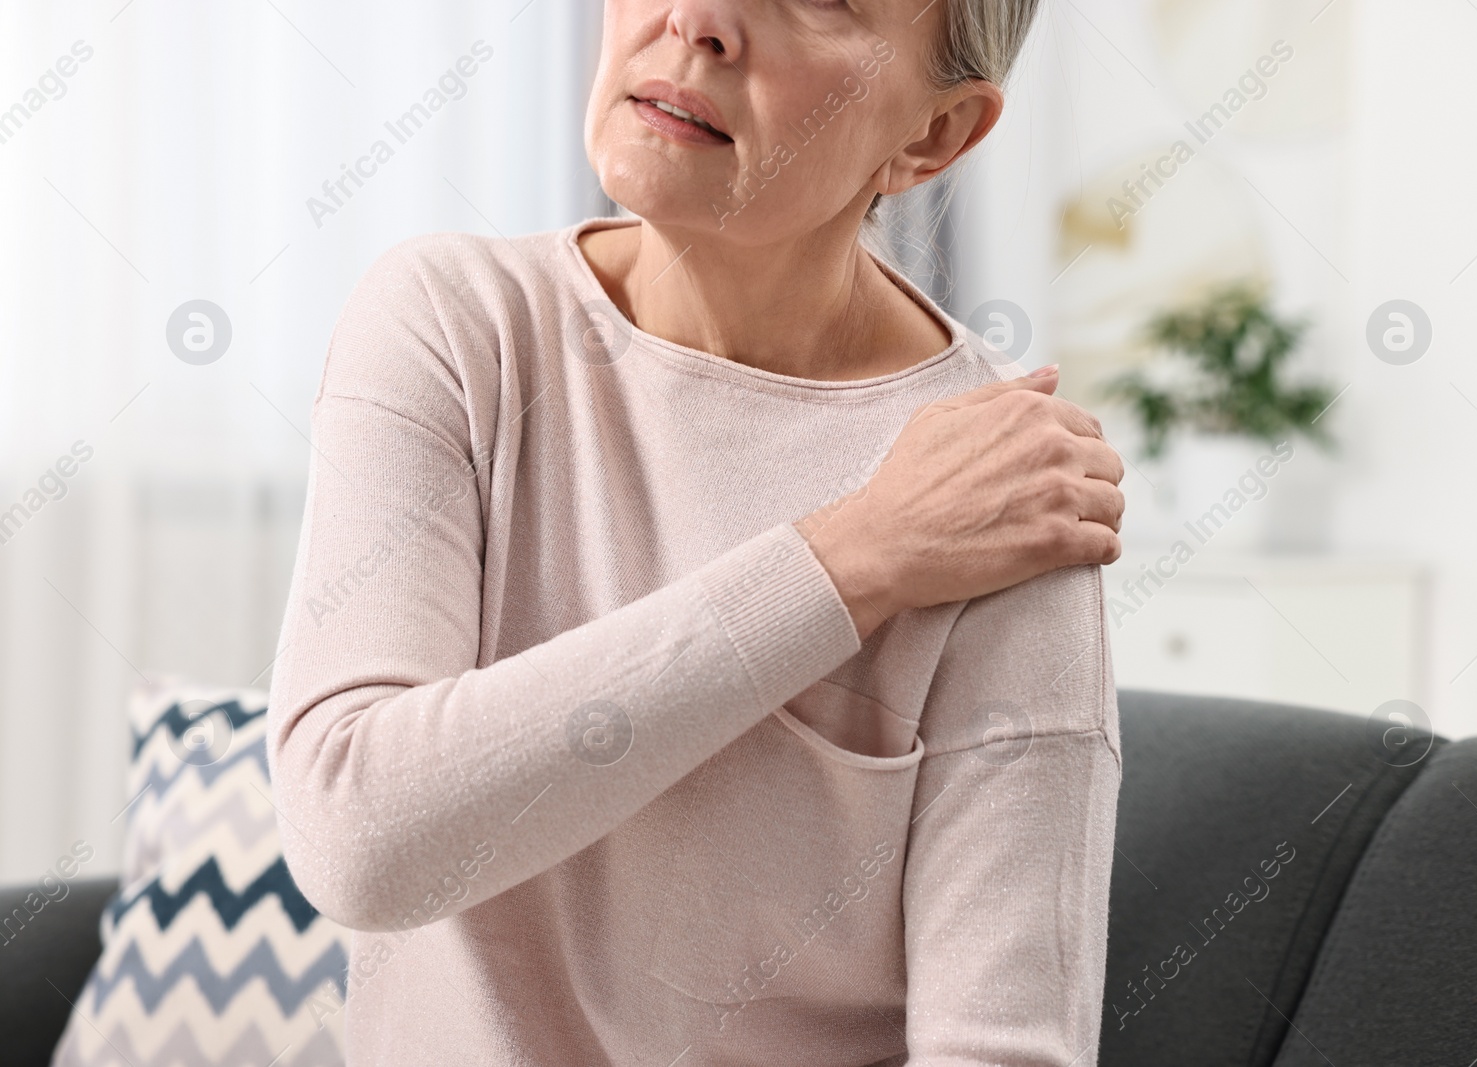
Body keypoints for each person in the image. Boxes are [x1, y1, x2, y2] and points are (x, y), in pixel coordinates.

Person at [268, 1, 1127, 1063]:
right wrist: (854, 555)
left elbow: (998, 1048)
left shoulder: (998, 487)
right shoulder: (454, 321)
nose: (702, 18)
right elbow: (361, 839)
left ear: (934, 135)